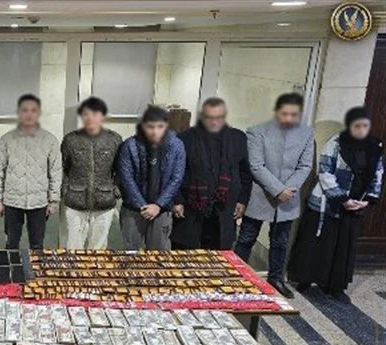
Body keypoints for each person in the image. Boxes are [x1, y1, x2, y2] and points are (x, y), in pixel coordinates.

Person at [289, 107, 383, 299]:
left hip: (354, 206)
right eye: (357, 125)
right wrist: (342, 198)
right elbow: (325, 172)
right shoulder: (336, 142)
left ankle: (336, 287)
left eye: (364, 126)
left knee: (342, 248)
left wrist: (367, 200)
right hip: (327, 204)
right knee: (318, 244)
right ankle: (306, 279)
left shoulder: (374, 147)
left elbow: (378, 175)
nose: (361, 130)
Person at [234, 93, 314, 299]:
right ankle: (237, 278)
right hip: (261, 194)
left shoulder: (306, 133)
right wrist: (278, 190)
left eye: (294, 114)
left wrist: (289, 189)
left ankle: (276, 278)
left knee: (280, 242)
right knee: (246, 238)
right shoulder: (257, 131)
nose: (289, 118)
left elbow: (305, 166)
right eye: (285, 113)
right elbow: (256, 166)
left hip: (289, 197)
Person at [171, 97, 252, 250]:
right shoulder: (185, 139)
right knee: (186, 254)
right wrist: (177, 201)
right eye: (209, 118)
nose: (214, 122)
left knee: (218, 255)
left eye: (218, 117)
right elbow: (174, 173)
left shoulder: (237, 138)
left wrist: (242, 200)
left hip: (223, 210)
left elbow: (245, 173)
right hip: (190, 210)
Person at [0, 94, 62, 249]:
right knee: (11, 243)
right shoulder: (6, 140)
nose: (29, 114)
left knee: (37, 245)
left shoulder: (50, 140)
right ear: (18, 112)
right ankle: (11, 265)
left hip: (39, 201)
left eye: (33, 110)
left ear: (39, 113)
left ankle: (36, 266)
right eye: (25, 110)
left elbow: (56, 172)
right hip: (12, 200)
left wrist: (53, 201)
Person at [116, 106, 185, 251]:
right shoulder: (129, 145)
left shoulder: (176, 145)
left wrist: (158, 205)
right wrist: (142, 205)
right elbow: (126, 178)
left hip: (162, 210)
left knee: (159, 254)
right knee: (131, 253)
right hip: (133, 209)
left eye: (160, 126)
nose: (155, 131)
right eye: (150, 127)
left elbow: (176, 178)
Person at [60, 97, 123, 249]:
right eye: (86, 114)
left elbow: (121, 168)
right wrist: (66, 190)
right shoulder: (70, 140)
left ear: (102, 116)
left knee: (98, 247)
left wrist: (115, 190)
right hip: (75, 200)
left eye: (95, 114)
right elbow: (64, 167)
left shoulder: (114, 140)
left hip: (104, 201)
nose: (90, 118)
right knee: (74, 246)